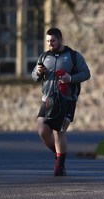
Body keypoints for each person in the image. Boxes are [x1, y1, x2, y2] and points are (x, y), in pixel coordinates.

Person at [32, 27, 91, 176]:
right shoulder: (44, 57)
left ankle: (60, 165)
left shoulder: (73, 56)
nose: (50, 44)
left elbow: (86, 74)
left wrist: (70, 79)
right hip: (48, 99)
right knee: (43, 131)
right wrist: (38, 73)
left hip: (66, 99)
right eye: (47, 41)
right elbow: (34, 76)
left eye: (52, 41)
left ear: (60, 40)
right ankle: (58, 154)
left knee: (59, 132)